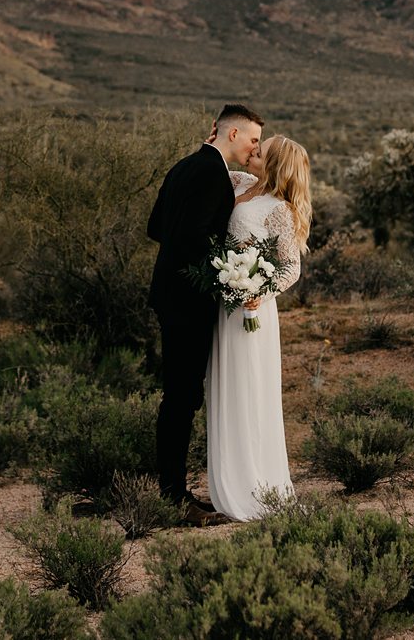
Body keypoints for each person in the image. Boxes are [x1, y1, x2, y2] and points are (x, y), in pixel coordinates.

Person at [146, 103, 263, 525]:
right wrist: (232, 271)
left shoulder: (182, 166)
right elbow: (195, 237)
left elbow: (156, 227)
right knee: (182, 398)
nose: (255, 147)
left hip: (169, 294)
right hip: (187, 301)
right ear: (232, 135)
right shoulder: (212, 173)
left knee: (180, 395)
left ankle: (173, 489)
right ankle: (173, 496)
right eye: (253, 139)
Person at [207, 134, 310, 520]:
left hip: (252, 308)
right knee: (226, 386)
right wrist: (213, 145)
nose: (253, 152)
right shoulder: (242, 183)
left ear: (274, 165)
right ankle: (228, 479)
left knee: (250, 388)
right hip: (225, 303)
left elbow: (291, 267)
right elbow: (216, 170)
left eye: (260, 151)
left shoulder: (279, 209)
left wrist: (260, 292)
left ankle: (255, 485)